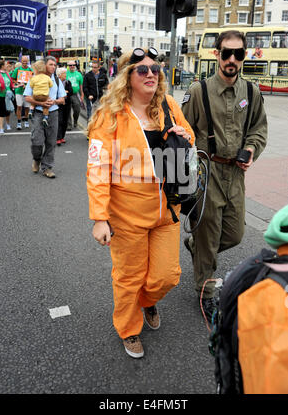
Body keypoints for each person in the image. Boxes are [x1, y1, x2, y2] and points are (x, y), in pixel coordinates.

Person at [86, 47, 195, 359]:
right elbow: (97, 170)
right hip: (127, 216)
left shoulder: (169, 105)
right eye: (142, 70)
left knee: (167, 275)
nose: (151, 74)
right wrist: (99, 217)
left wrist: (184, 137)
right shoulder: (109, 116)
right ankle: (129, 328)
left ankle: (147, 300)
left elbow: (189, 139)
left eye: (155, 69)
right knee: (129, 276)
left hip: (167, 210)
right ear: (126, 77)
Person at [182, 30, 268, 322]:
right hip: (207, 172)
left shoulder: (252, 92)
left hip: (235, 173)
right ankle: (205, 293)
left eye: (239, 54)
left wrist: (251, 148)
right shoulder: (198, 91)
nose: (233, 59)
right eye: (227, 53)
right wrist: (186, 174)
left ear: (244, 56)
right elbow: (183, 132)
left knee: (234, 233)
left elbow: (258, 128)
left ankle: (196, 247)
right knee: (208, 234)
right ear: (216, 54)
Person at [24, 56, 66, 178]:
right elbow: (27, 96)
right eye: (51, 64)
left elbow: (62, 99)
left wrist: (54, 102)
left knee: (51, 142)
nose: (53, 67)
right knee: (36, 140)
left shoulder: (57, 80)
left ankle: (47, 167)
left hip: (53, 113)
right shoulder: (35, 78)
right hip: (38, 113)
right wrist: (41, 103)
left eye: (55, 65)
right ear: (44, 65)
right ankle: (36, 159)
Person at [11, 55, 33, 130]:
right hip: (19, 91)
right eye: (23, 61)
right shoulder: (17, 69)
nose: (24, 63)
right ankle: (19, 122)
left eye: (26, 61)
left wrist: (28, 85)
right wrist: (18, 83)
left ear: (28, 62)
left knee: (27, 107)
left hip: (27, 92)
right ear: (21, 61)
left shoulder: (30, 70)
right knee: (19, 106)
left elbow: (33, 80)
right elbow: (12, 79)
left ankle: (26, 120)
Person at [29, 60, 53, 126]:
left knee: (33, 102)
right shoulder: (47, 77)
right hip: (45, 96)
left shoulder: (34, 78)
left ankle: (31, 110)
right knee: (46, 106)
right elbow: (51, 85)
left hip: (36, 95)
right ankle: (45, 118)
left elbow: (31, 85)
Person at [56, 67, 73, 145]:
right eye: (64, 73)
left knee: (65, 121)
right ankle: (58, 137)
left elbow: (71, 92)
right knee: (60, 120)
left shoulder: (68, 82)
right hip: (58, 104)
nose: (65, 75)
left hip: (67, 103)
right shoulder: (55, 82)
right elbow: (55, 93)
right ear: (59, 75)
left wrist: (64, 93)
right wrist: (64, 92)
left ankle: (62, 137)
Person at [66, 60, 84, 129]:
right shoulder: (66, 73)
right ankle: (69, 125)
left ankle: (75, 121)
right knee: (68, 110)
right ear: (68, 66)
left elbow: (81, 85)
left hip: (75, 94)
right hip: (67, 94)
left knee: (77, 109)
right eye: (70, 65)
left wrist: (82, 95)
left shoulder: (79, 74)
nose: (72, 66)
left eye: (73, 65)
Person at [0, 60, 14, 134]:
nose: (7, 66)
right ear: (2, 66)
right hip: (1, 95)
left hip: (8, 94)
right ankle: (1, 128)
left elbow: (10, 84)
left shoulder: (7, 74)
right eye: (5, 64)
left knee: (8, 110)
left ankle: (7, 124)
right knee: (1, 112)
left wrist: (16, 86)